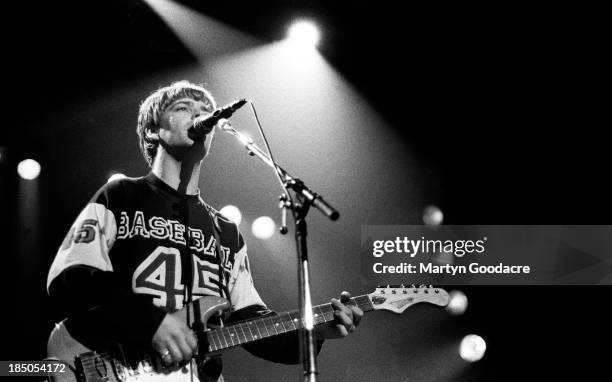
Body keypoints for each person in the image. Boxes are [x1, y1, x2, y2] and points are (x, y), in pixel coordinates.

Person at [46, 80, 362, 380]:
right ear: (154, 130)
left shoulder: (226, 232)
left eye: (204, 108)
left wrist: (315, 329)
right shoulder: (120, 195)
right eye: (184, 107)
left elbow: (249, 323)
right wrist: (149, 322)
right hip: (108, 363)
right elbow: (71, 278)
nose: (200, 114)